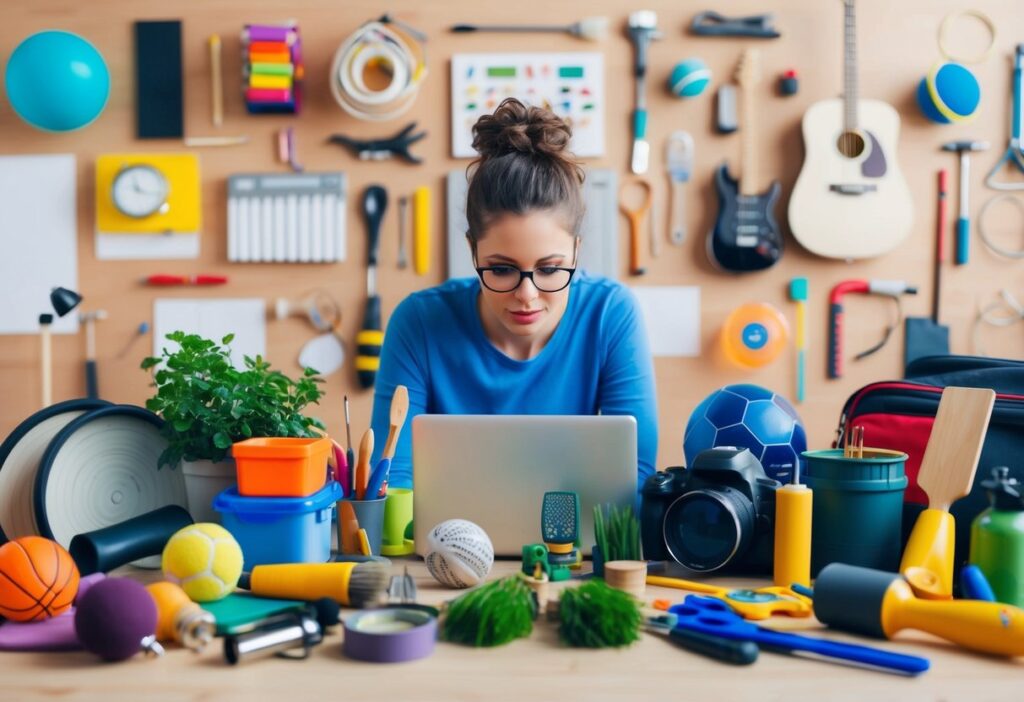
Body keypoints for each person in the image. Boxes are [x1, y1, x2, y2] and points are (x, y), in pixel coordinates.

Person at [370, 97, 658, 489]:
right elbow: (393, 479)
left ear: (576, 249)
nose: (526, 294)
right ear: (473, 250)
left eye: (550, 269)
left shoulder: (611, 313)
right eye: (502, 269)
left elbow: (634, 481)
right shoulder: (418, 323)